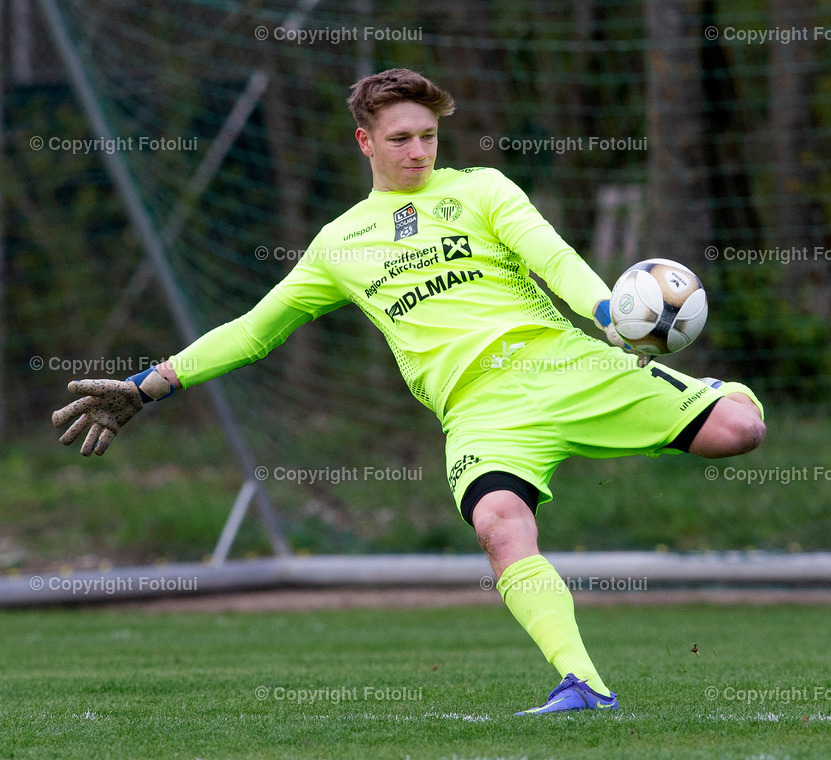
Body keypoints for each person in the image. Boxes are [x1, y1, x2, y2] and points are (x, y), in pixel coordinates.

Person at [52, 68, 765, 714]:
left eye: (428, 135)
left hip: (564, 363)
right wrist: (148, 385)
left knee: (739, 432)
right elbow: (254, 330)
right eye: (401, 138)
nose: (419, 151)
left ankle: (710, 390)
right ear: (366, 141)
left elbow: (552, 256)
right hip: (478, 410)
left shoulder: (481, 188)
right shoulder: (340, 244)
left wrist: (609, 312)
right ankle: (583, 685)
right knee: (499, 525)